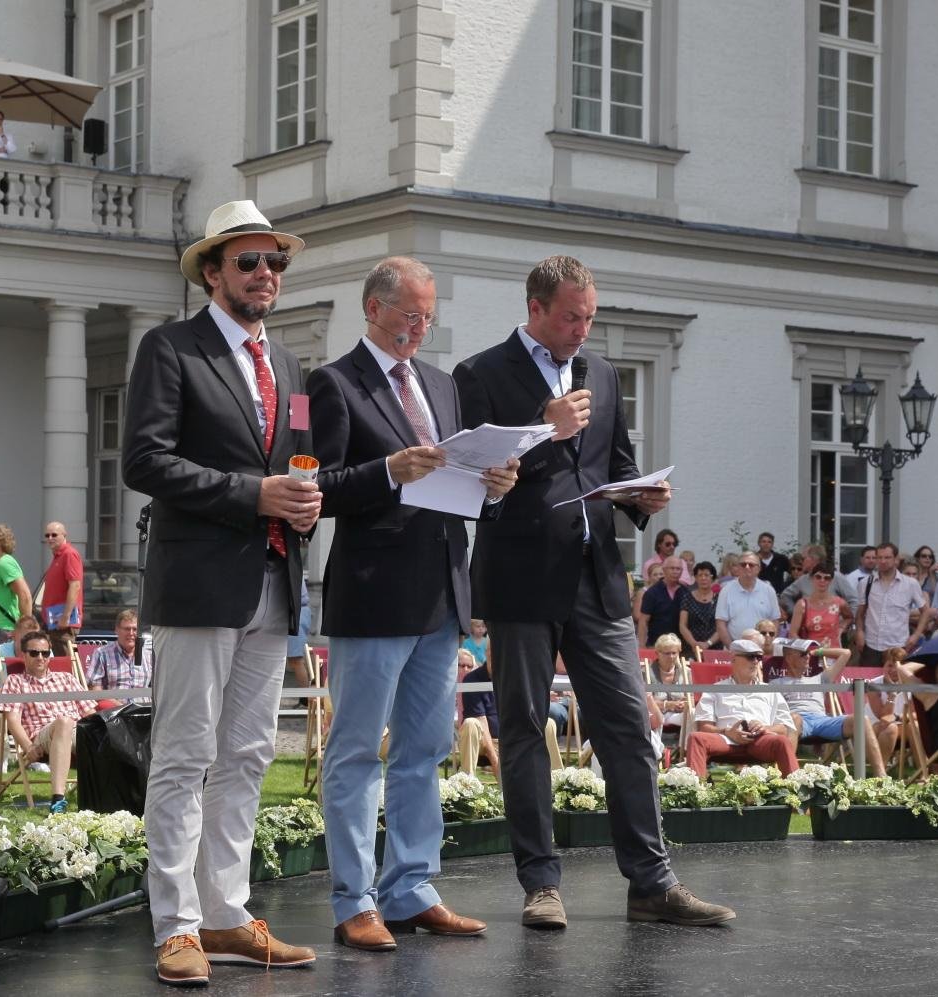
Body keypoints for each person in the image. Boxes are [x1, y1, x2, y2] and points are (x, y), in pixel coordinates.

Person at [454, 254, 733, 932]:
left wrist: (643, 494)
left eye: (589, 317)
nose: (583, 330)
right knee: (525, 731)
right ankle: (541, 884)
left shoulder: (601, 373)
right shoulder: (480, 374)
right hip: (521, 579)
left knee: (629, 728)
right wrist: (544, 426)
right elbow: (473, 481)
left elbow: (616, 462)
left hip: (597, 577)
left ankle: (652, 883)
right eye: (572, 318)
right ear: (536, 309)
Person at [124, 199, 321, 983]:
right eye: (249, 260)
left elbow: (299, 456)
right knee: (184, 755)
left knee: (247, 754)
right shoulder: (171, 348)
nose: (265, 272)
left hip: (275, 579)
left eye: (275, 261)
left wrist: (304, 499)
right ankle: (176, 925)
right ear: (213, 272)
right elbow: (144, 460)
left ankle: (225, 913)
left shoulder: (291, 367)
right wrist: (253, 494)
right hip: (199, 583)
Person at [308, 255, 516, 952]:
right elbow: (320, 488)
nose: (421, 326)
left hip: (440, 591)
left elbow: (455, 476)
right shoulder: (335, 382)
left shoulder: (440, 383)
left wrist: (493, 484)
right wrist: (387, 472)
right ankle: (354, 900)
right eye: (410, 314)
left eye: (429, 315)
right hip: (373, 594)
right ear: (373, 308)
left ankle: (411, 889)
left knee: (425, 750)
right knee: (356, 751)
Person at [0, 631, 98, 813]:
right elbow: (13, 721)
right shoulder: (15, 681)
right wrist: (28, 747)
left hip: (77, 733)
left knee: (107, 731)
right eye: (34, 653)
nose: (40, 657)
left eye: (45, 653)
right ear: (23, 655)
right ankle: (58, 800)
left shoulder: (66, 678)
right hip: (42, 737)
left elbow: (90, 713)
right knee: (64, 722)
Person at [769, 638, 885, 773]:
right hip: (797, 722)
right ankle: (788, 777)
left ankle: (881, 777)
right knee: (794, 718)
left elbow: (846, 653)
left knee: (862, 719)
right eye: (803, 654)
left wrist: (817, 652)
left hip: (822, 721)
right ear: (789, 657)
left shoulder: (819, 679)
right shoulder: (776, 684)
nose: (807, 657)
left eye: (808, 654)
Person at [685, 639, 798, 776]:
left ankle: (795, 786)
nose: (755, 662)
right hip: (726, 740)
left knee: (782, 741)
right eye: (750, 657)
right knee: (696, 738)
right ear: (733, 659)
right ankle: (694, 787)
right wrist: (727, 731)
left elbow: (783, 728)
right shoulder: (715, 690)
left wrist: (765, 728)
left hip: (761, 741)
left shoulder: (771, 691)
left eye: (758, 658)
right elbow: (704, 727)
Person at [0, 614, 41, 772]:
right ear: (14, 635)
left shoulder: (43, 652)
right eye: (25, 638)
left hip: (34, 703)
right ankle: (1, 758)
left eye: (34, 638)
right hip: (4, 703)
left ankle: (37, 756)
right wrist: (16, 690)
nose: (30, 643)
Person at [854, 543, 931, 665]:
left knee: (896, 677)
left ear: (896, 559)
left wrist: (916, 635)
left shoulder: (910, 584)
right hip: (871, 646)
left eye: (887, 557)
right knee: (869, 678)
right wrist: (859, 632)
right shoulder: (866, 583)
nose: (883, 561)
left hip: (898, 646)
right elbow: (860, 613)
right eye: (879, 557)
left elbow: (925, 611)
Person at [714, 551, 781, 649]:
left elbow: (775, 621)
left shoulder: (768, 591)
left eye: (751, 565)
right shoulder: (726, 590)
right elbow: (720, 623)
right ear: (738, 568)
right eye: (743, 564)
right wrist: (731, 647)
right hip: (734, 650)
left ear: (758, 569)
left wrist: (767, 645)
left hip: (762, 649)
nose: (747, 567)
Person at [85, 609, 152, 703]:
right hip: (115, 708)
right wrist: (116, 704)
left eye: (135, 629)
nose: (131, 633)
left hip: (144, 708)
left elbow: (160, 688)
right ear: (116, 630)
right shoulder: (102, 654)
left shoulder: (149, 655)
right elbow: (94, 688)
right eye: (127, 629)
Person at [864, 647, 915, 769]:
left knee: (915, 726)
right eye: (890, 665)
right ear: (883, 666)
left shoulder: (912, 684)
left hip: (899, 724)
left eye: (897, 666)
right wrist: (892, 693)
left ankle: (925, 772)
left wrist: (899, 717)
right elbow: (883, 718)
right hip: (874, 728)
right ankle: (880, 772)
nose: (893, 670)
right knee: (890, 728)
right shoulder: (873, 685)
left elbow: (915, 714)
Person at [454, 650, 501, 779]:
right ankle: (468, 783)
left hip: (508, 739)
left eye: (469, 666)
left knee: (548, 724)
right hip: (480, 739)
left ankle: (552, 783)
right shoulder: (472, 680)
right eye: (461, 665)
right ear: (488, 653)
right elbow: (479, 720)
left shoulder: (515, 677)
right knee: (471, 723)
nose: (465, 669)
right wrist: (495, 761)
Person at [788, 562, 849, 648]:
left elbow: (849, 617)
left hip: (833, 652)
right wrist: (805, 648)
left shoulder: (839, 603)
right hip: (810, 652)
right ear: (812, 579)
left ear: (831, 581)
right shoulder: (802, 604)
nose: (822, 580)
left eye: (826, 578)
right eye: (818, 577)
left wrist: (841, 629)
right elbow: (792, 634)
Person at [38, 521, 84, 634]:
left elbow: (75, 586)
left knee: (63, 646)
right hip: (53, 620)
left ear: (64, 535)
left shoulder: (69, 554)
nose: (50, 538)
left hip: (63, 623)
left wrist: (66, 617)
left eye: (54, 535)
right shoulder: (58, 556)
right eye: (47, 535)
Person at [637, 556, 687, 648]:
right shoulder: (652, 593)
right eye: (672, 568)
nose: (675, 571)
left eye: (678, 569)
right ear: (664, 570)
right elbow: (643, 621)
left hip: (680, 647)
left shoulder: (685, 592)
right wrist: (642, 647)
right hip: (656, 646)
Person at [651, 634, 689, 743]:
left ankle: (685, 749)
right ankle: (656, 751)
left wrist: (685, 703)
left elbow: (690, 697)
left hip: (676, 714)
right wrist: (667, 704)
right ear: (657, 653)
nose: (671, 656)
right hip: (655, 714)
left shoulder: (685, 672)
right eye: (667, 653)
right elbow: (645, 701)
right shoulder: (646, 672)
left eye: (674, 653)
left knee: (694, 715)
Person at [677, 562, 719, 656]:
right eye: (700, 575)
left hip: (714, 648)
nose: (703, 578)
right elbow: (682, 625)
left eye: (706, 575)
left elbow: (722, 626)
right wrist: (694, 644)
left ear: (712, 578)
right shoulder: (687, 597)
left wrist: (708, 643)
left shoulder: (719, 599)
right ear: (695, 578)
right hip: (690, 648)